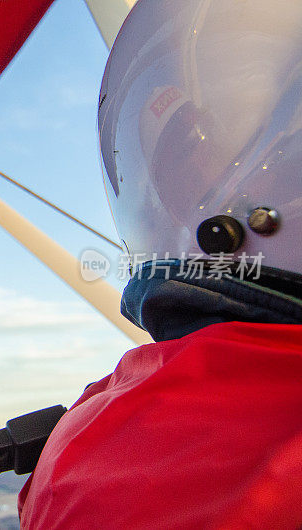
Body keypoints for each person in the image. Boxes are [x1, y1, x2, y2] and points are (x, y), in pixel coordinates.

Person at [18, 0, 302, 527]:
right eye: (181, 153)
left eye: (200, 139)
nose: (201, 164)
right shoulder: (117, 443)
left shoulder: (102, 441)